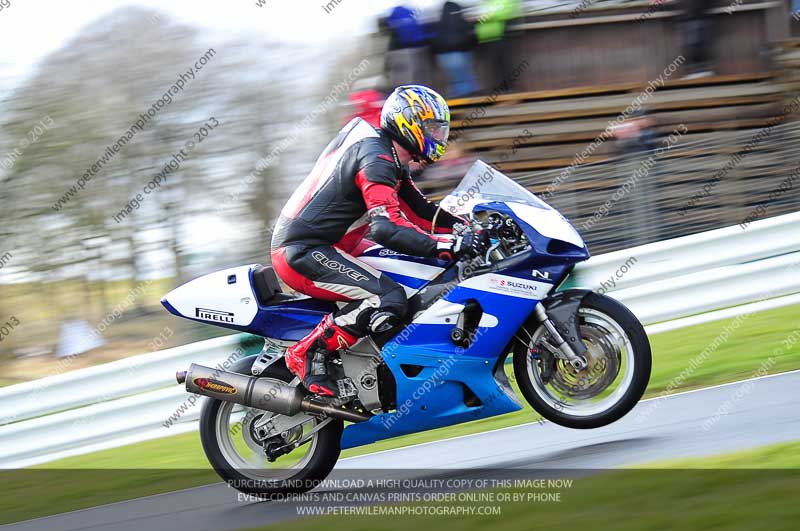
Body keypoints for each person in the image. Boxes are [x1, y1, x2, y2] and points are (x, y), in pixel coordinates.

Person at [271, 85, 486, 397]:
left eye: (442, 129)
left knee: (417, 274)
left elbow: (422, 212)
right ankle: (307, 353)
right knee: (388, 298)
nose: (440, 137)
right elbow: (385, 227)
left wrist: (470, 227)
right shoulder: (376, 157)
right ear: (409, 123)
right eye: (433, 129)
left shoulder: (388, 154)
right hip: (303, 251)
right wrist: (445, 246)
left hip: (334, 244)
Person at [432, 2, 479, 98]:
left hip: (442, 55)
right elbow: (472, 36)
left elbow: (434, 39)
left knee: (453, 80)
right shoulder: (461, 22)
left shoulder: (440, 23)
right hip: (460, 52)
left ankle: (455, 100)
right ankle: (467, 100)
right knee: (464, 78)